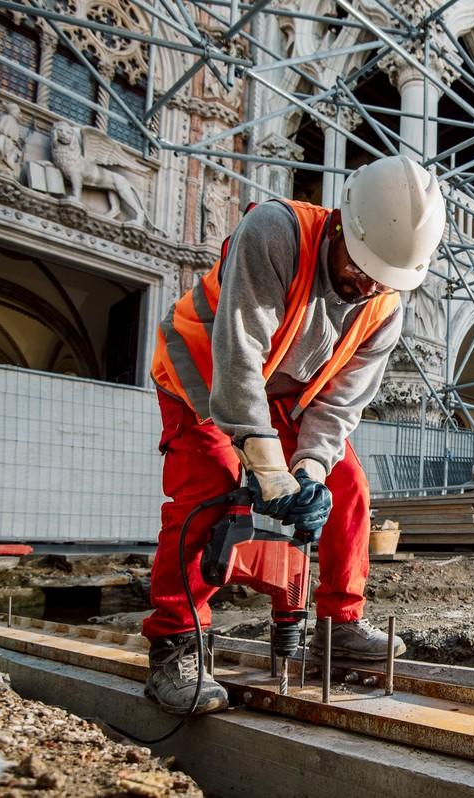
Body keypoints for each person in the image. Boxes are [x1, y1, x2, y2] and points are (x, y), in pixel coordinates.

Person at [143, 154, 446, 714]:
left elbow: (340, 404)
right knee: (209, 488)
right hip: (203, 374)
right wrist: (267, 469)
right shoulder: (276, 233)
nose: (367, 286)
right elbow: (239, 356)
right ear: (342, 225)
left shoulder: (384, 307)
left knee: (347, 487)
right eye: (361, 268)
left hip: (287, 399)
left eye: (383, 279)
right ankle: (175, 644)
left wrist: (307, 471)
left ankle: (339, 625)